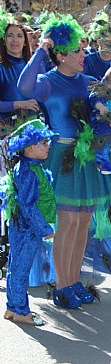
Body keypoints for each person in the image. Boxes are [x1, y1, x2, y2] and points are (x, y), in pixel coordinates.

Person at [17, 14, 111, 309]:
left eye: (83, 49)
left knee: (83, 222)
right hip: (61, 159)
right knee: (69, 222)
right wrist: (40, 48)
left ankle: (74, 280)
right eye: (76, 50)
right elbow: (24, 88)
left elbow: (108, 106)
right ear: (61, 55)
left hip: (86, 158)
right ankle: (61, 285)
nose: (83, 54)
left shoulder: (87, 81)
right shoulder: (47, 82)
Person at [1, 119, 57, 326]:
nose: (48, 146)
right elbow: (27, 205)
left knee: (17, 265)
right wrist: (43, 228)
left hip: (25, 227)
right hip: (27, 228)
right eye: (43, 142)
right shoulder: (27, 171)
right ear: (29, 146)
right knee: (21, 268)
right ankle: (21, 311)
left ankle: (12, 307)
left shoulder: (31, 167)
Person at [0, 10, 41, 126]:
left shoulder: (35, 65)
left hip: (34, 128)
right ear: (4, 41)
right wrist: (19, 104)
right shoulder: (1, 68)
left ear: (24, 42)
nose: (15, 40)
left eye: (19, 36)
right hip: (7, 130)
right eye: (10, 36)